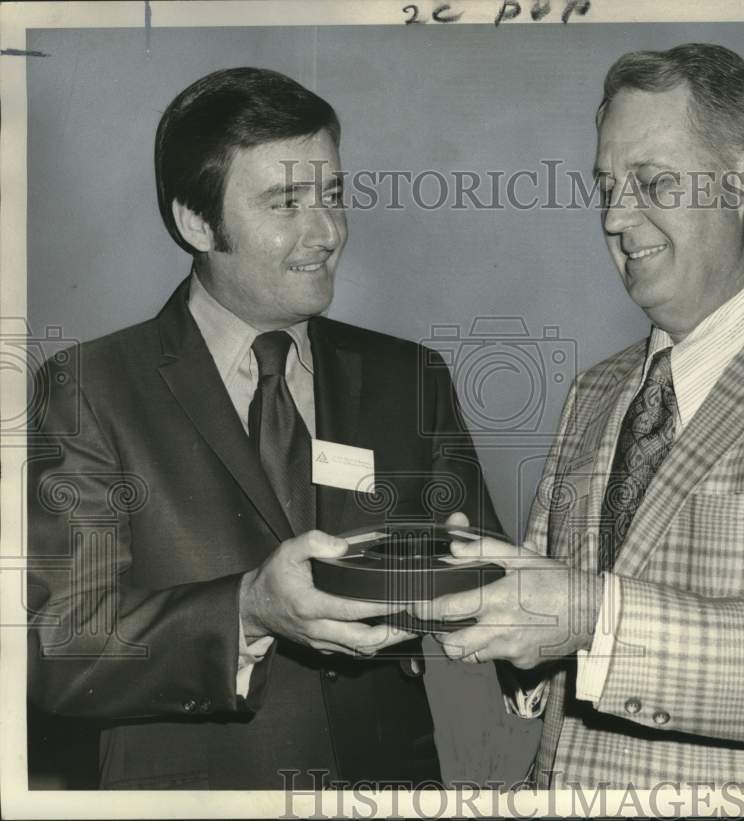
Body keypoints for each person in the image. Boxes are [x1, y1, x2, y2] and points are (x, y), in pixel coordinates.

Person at [415, 44, 744, 789]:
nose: (615, 216)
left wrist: (591, 616)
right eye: (605, 186)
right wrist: (481, 604)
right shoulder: (595, 392)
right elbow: (553, 651)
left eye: (653, 182)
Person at [26, 67, 500, 790]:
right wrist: (247, 608)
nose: (328, 232)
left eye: (333, 195)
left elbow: (485, 581)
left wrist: (476, 594)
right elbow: (63, 648)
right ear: (195, 220)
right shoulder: (89, 390)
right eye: (287, 201)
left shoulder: (413, 378)